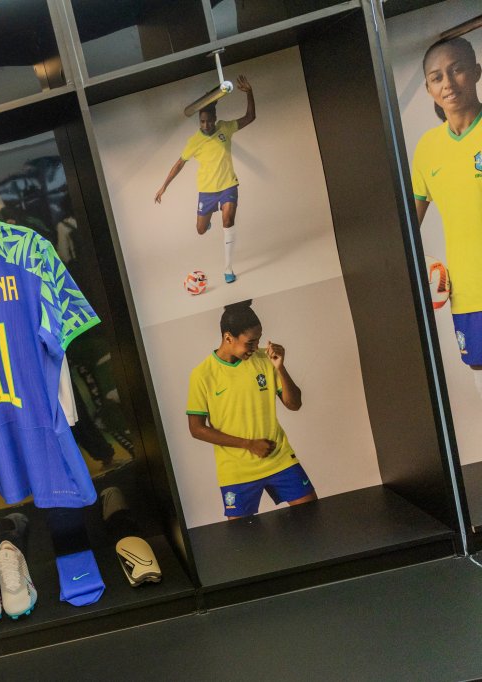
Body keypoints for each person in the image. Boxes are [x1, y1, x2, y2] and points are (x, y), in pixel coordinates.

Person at [186, 301, 315, 518]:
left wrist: (280, 367)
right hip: (236, 471)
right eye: (250, 343)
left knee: (313, 520)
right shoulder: (202, 374)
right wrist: (249, 444)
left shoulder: (266, 359)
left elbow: (294, 404)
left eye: (258, 340)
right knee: (243, 541)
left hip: (279, 459)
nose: (256, 348)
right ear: (228, 338)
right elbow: (196, 429)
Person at [411, 37, 482, 399]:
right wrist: (420, 270)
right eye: (437, 77)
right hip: (469, 293)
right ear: (428, 88)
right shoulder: (428, 149)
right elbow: (407, 226)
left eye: (456, 70)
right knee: (480, 372)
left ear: (476, 72)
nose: (448, 83)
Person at [155, 75, 256, 284]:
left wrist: (249, 93)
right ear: (199, 122)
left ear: (215, 118)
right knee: (200, 231)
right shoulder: (194, 141)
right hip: (207, 191)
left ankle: (228, 269)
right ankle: (206, 223)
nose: (206, 124)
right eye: (202, 121)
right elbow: (179, 164)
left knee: (228, 220)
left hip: (228, 184)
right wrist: (164, 186)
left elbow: (250, 117)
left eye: (209, 120)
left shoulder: (225, 128)